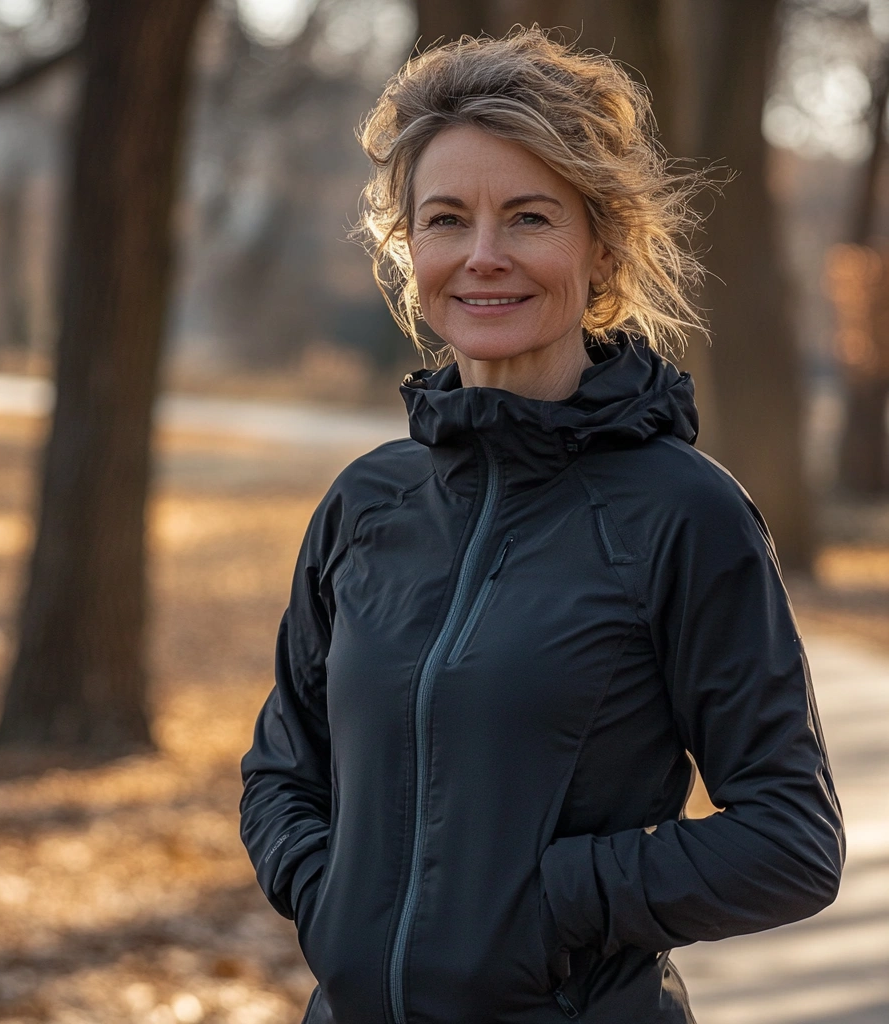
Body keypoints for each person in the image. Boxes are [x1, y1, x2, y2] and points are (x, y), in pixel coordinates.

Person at [239, 29, 845, 1024]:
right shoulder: (366, 503)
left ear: (598, 245)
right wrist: (329, 896)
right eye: (446, 219)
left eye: (527, 217)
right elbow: (280, 767)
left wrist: (551, 900)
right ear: (410, 247)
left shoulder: (683, 512)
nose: (482, 257)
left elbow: (789, 840)